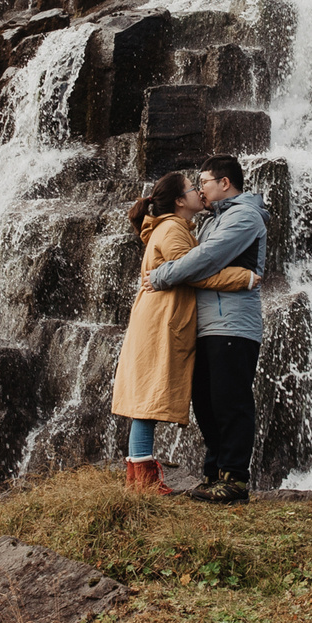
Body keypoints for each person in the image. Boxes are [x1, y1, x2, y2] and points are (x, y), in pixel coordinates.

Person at [110, 170, 258, 493]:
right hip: (160, 322)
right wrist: (242, 278)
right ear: (179, 200)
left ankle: (139, 479)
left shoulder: (174, 227)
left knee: (145, 403)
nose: (198, 192)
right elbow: (193, 272)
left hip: (158, 320)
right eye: (193, 188)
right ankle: (145, 482)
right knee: (146, 405)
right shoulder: (173, 229)